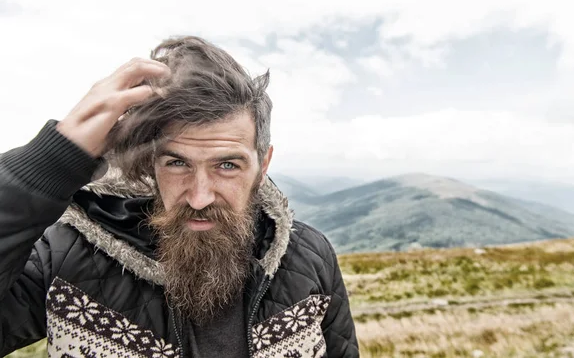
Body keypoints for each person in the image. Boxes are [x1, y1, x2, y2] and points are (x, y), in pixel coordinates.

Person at [0, 36, 359, 357]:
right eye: (176, 163)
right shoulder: (66, 256)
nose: (200, 196)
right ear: (150, 164)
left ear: (263, 164)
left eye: (227, 165)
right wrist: (47, 164)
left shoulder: (310, 255)